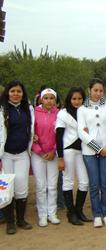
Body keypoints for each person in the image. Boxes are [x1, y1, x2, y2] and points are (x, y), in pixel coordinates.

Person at [77, 78, 106, 228]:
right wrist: (99, 149)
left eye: (101, 90)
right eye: (95, 90)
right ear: (89, 90)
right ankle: (97, 214)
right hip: (90, 152)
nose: (98, 93)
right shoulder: (82, 109)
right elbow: (81, 132)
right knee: (94, 184)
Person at [0, 80, 34, 234]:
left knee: (21, 187)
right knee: (7, 188)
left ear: (23, 94)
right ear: (8, 92)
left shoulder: (28, 109)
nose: (15, 94)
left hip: (22, 155)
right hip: (5, 155)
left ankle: (21, 220)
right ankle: (10, 222)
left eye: (19, 91)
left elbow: (32, 129)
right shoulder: (1, 110)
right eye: (12, 91)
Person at [55, 87, 91, 226]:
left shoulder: (85, 112)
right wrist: (60, 157)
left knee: (84, 182)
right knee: (68, 181)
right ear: (69, 99)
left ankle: (78, 210)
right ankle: (71, 213)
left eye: (80, 99)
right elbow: (58, 136)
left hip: (82, 150)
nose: (77, 101)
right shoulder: (63, 114)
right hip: (68, 150)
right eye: (74, 99)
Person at [31, 88, 60, 227]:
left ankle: (52, 213)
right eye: (46, 98)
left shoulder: (59, 114)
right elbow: (31, 134)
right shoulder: (34, 112)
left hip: (53, 155)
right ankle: (42, 215)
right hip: (38, 155)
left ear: (55, 100)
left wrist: (54, 150)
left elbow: (60, 135)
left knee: (52, 186)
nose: (49, 101)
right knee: (41, 186)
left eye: (51, 98)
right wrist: (39, 151)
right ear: (41, 99)